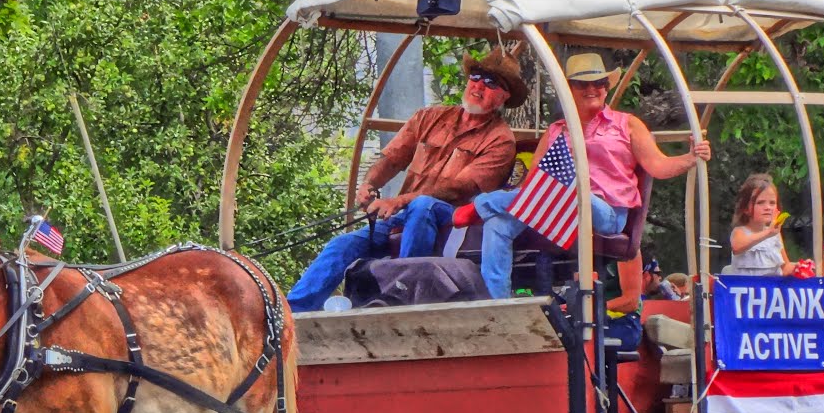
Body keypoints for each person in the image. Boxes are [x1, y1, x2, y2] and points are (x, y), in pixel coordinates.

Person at [453, 52, 713, 300]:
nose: (592, 89)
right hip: (555, 210)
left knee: (572, 192)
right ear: (569, 90)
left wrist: (690, 158)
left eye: (598, 83)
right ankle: (496, 306)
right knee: (497, 225)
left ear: (606, 87)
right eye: (582, 84)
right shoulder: (556, 130)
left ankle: (480, 204)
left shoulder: (627, 124)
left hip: (605, 213)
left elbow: (658, 166)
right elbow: (533, 184)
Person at [286, 45, 527, 311]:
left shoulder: (501, 140)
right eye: (476, 77)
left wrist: (401, 200)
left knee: (422, 207)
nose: (479, 86)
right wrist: (369, 185)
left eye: (491, 83)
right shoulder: (430, 116)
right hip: (407, 213)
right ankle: (292, 315)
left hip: (458, 220)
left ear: (504, 96)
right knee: (342, 243)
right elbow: (391, 159)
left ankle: (404, 298)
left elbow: (460, 188)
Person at [724, 174, 801, 277]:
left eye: (772, 203)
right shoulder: (740, 231)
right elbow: (737, 246)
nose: (768, 207)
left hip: (771, 291)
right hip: (747, 290)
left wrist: (799, 266)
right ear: (745, 208)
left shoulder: (775, 235)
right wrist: (768, 233)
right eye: (760, 202)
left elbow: (785, 267)